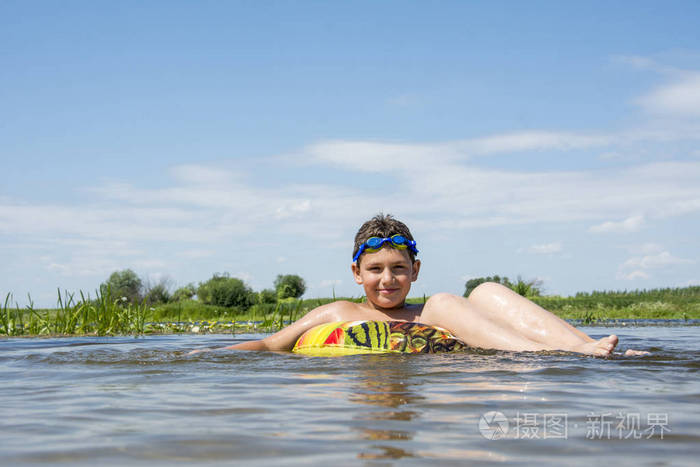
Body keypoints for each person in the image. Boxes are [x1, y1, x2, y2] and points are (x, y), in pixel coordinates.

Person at [218, 214, 642, 357]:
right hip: (468, 375)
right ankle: (564, 354)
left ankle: (585, 347)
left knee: (487, 290)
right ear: (356, 273)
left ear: (414, 270)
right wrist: (203, 354)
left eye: (399, 268)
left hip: (487, 360)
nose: (388, 280)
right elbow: (271, 345)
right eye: (375, 269)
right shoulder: (339, 313)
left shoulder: (432, 312)